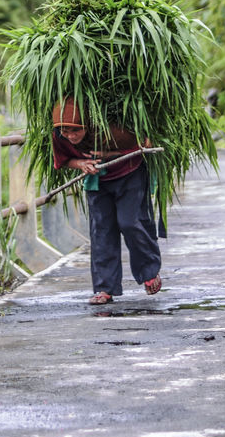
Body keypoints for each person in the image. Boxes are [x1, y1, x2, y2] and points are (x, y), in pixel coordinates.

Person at [52, 97, 162, 305]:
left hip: (130, 174)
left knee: (130, 223)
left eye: (76, 130)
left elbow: (146, 143)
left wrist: (109, 154)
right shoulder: (60, 135)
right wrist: (82, 163)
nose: (70, 136)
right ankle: (104, 288)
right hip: (98, 182)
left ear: (88, 124)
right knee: (101, 230)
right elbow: (64, 159)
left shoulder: (114, 131)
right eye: (65, 131)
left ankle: (149, 271)